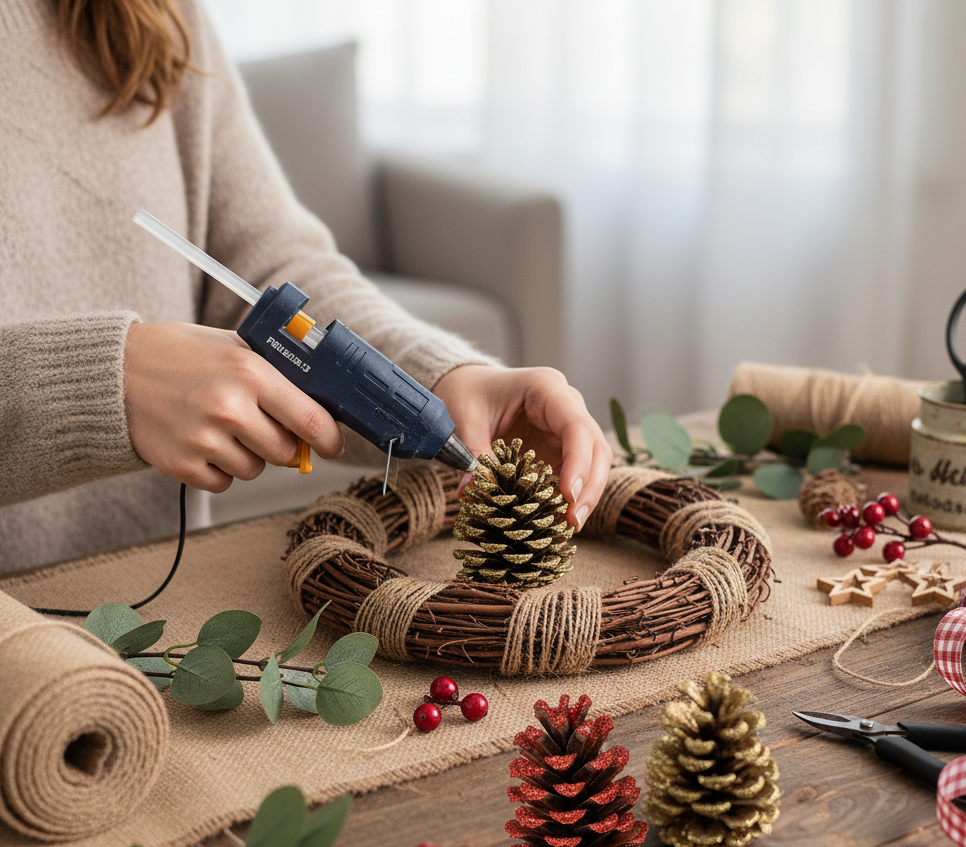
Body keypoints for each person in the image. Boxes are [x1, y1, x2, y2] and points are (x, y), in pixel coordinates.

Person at [0, 0, 611, 573]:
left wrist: (448, 384)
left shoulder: (153, 15)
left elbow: (272, 272)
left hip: (151, 609)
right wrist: (103, 386)